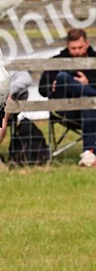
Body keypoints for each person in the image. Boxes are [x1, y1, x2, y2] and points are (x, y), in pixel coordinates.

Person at [39, 28, 96, 167]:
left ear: (87, 43)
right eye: (73, 48)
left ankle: (89, 154)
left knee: (85, 100)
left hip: (90, 111)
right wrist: (53, 87)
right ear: (67, 46)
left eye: (80, 47)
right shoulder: (57, 61)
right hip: (65, 110)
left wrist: (88, 82)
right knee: (62, 77)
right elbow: (42, 89)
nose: (76, 51)